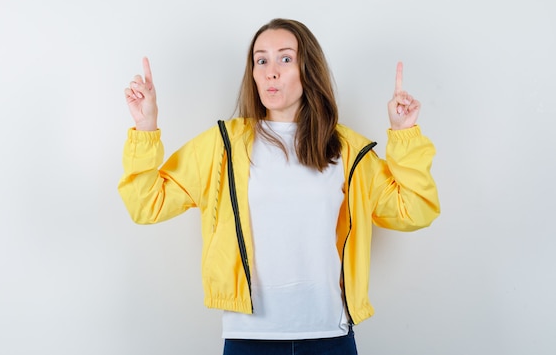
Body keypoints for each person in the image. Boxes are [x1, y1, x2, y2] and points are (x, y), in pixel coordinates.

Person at [118, 18, 440, 355]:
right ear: (253, 72)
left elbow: (414, 210)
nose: (272, 71)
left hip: (329, 334)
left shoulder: (346, 149)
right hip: (249, 337)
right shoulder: (223, 146)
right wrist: (145, 126)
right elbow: (146, 205)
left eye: (285, 58)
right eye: (261, 60)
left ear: (307, 69)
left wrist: (404, 134)